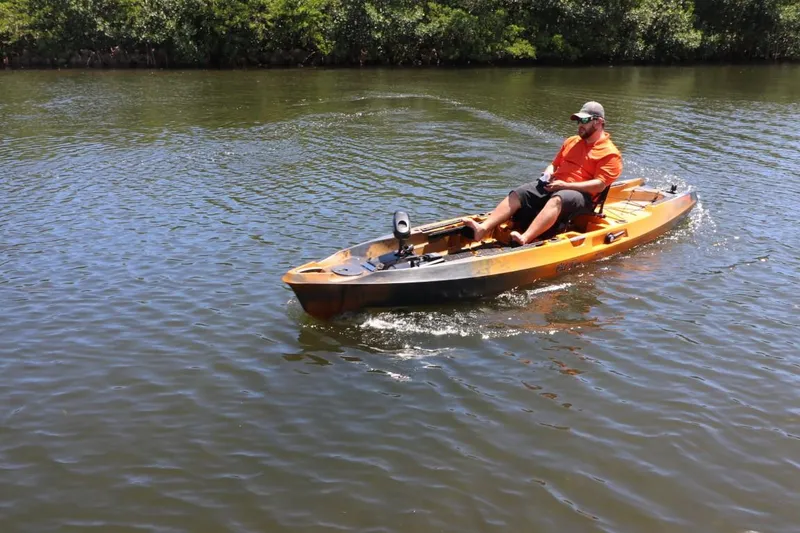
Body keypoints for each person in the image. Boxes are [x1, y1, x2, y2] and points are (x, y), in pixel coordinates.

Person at [463, 101, 623, 245]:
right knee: (520, 193)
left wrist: (566, 185)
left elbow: (599, 185)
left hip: (582, 196)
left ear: (599, 122)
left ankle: (525, 238)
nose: (580, 125)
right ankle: (482, 229)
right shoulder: (571, 141)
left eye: (585, 121)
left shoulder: (610, 153)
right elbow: (554, 165)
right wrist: (548, 173)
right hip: (556, 185)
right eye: (578, 121)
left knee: (559, 199)